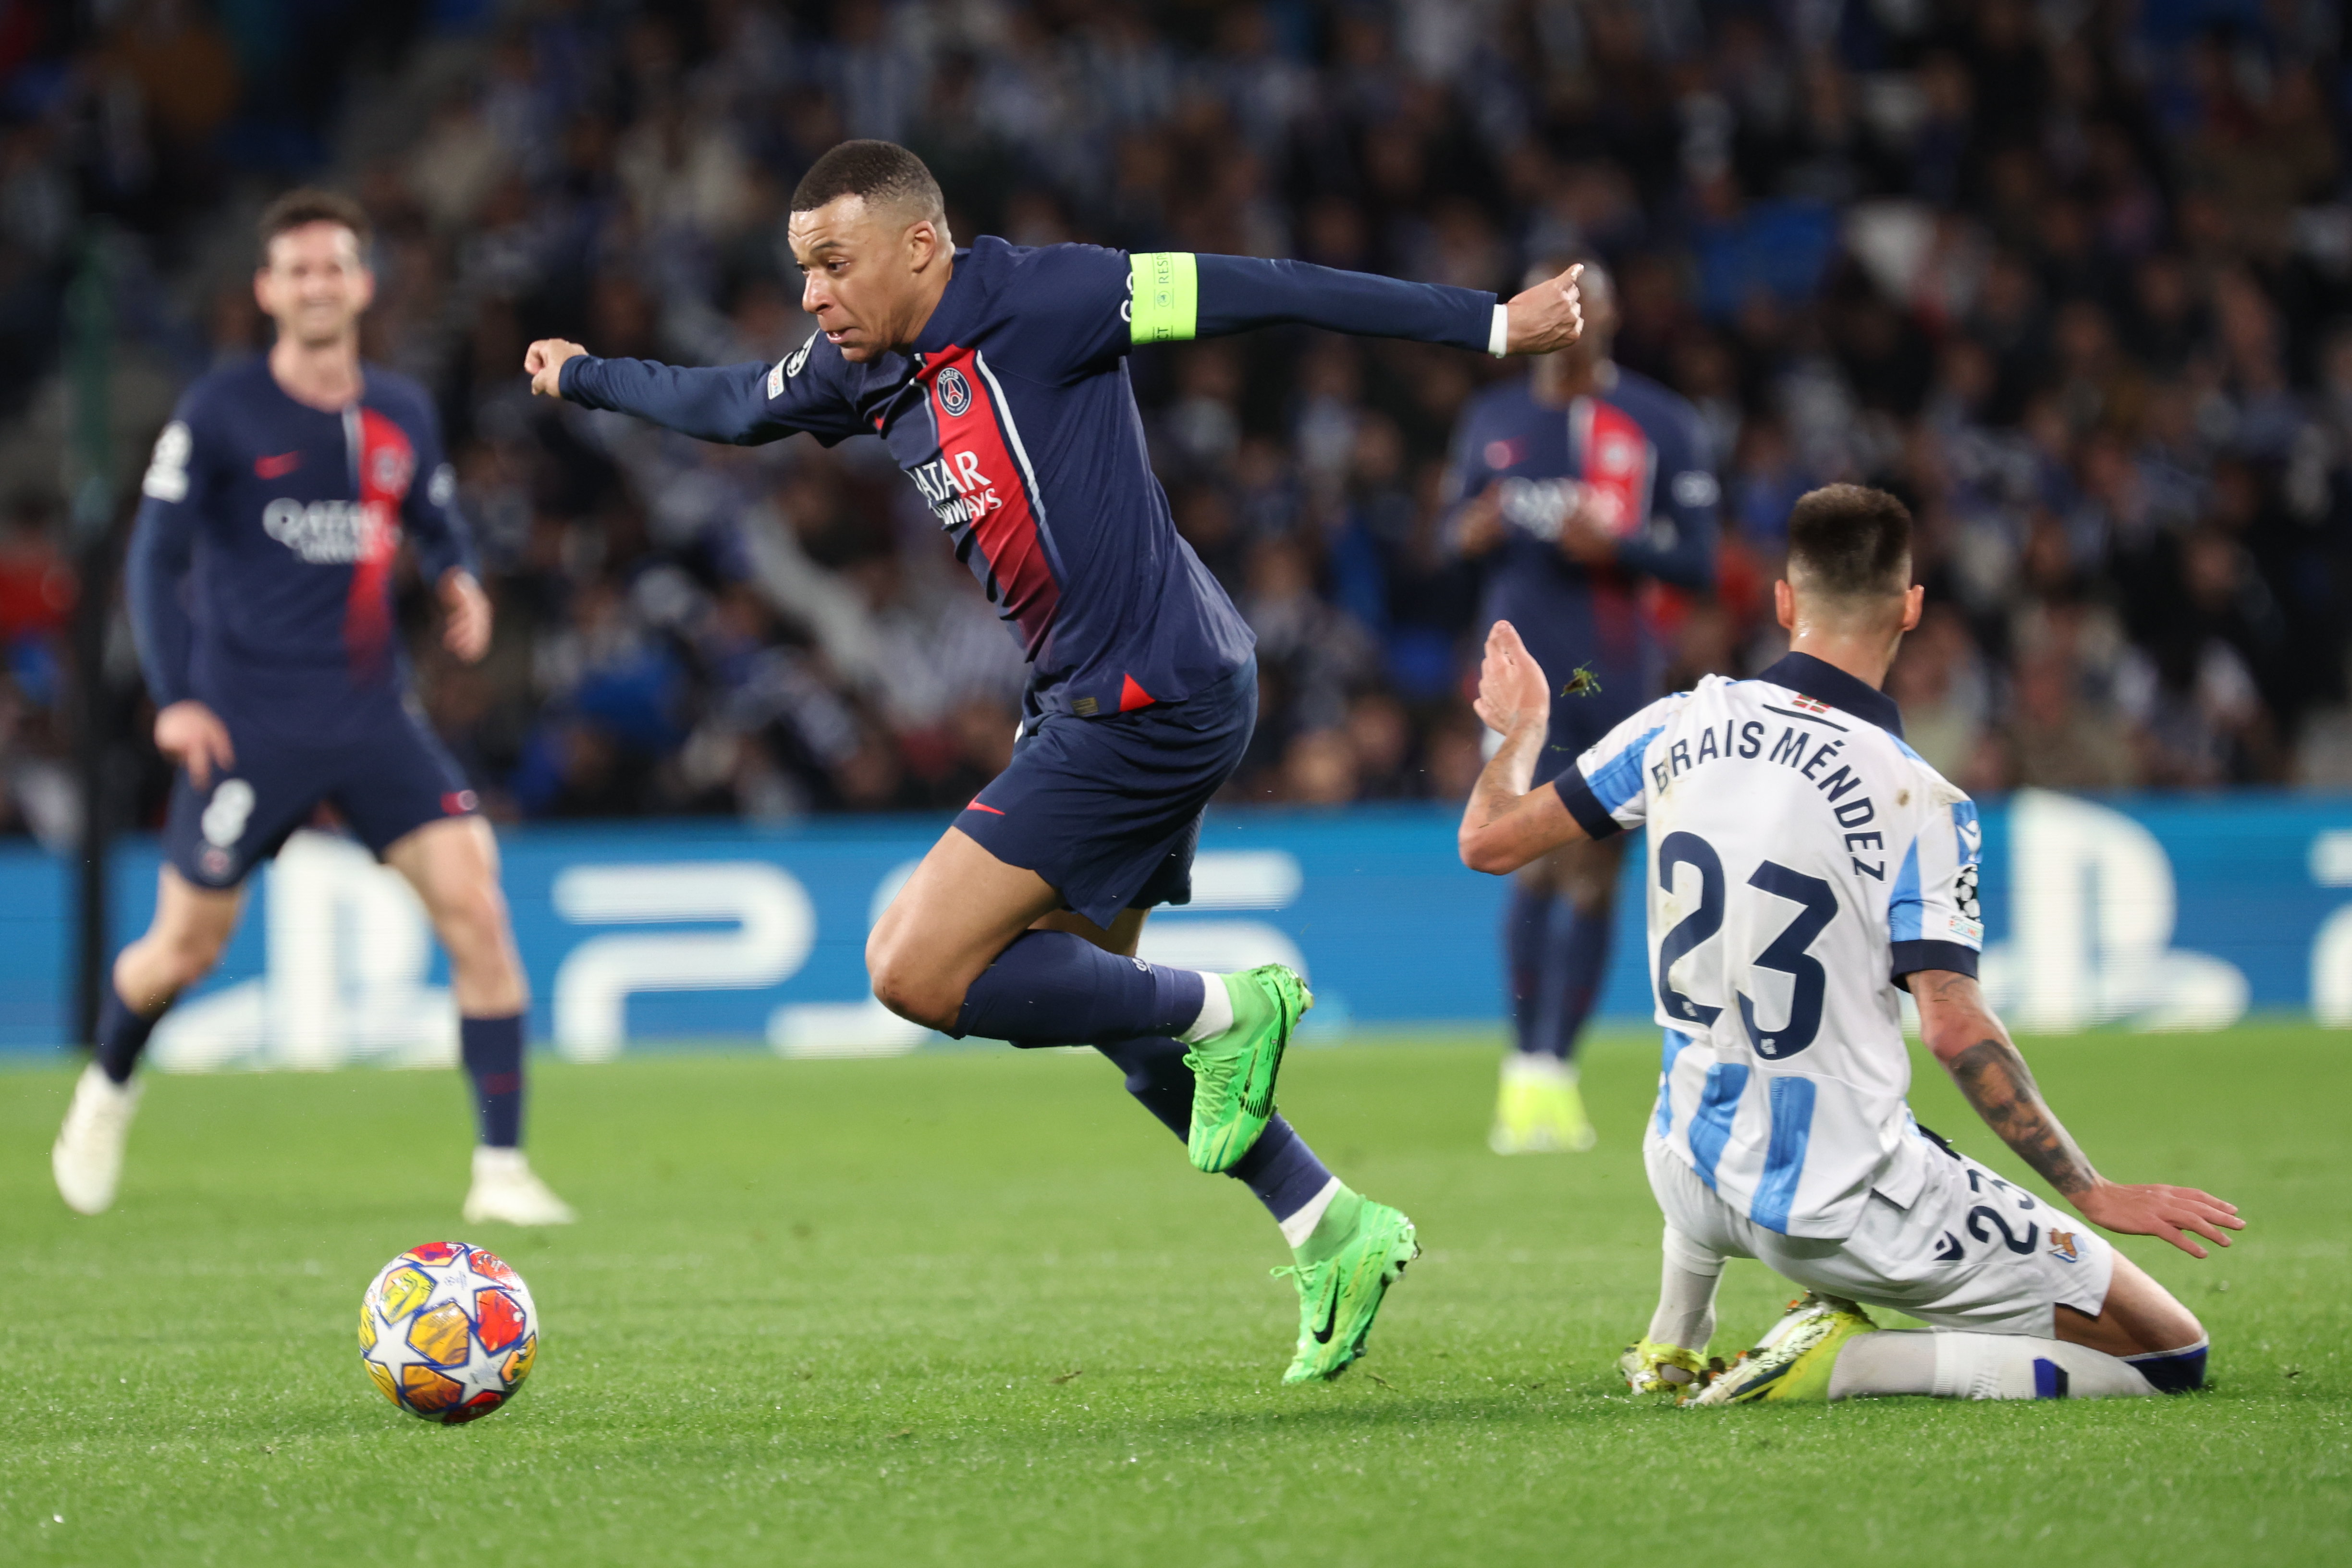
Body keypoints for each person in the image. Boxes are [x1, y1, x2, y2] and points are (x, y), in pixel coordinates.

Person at [522, 139, 1588, 1381]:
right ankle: (1329, 1223)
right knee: (1094, 1006)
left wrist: (1492, 327)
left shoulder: (1054, 298)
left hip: (1147, 695)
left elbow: (1269, 284)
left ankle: (1233, 1005)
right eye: (803, 270)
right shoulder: (857, 369)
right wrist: (587, 376)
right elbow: (730, 404)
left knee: (916, 968)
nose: (813, 294)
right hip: (1125, 692)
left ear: (922, 244)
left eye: (832, 264)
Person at [1456, 484, 2239, 1403]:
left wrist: (1525, 731)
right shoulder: (1920, 799)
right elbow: (1954, 1030)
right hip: (1839, 1206)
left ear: (1784, 602)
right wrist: (2092, 1189)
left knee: (1728, 1072)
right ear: (1910, 608)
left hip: (1685, 1167)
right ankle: (1855, 1362)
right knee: (2169, 1356)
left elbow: (1489, 841)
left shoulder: (1678, 722)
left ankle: (1674, 1339)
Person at [51, 190, 573, 1228]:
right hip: (249, 722)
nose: (317, 283)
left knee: (477, 905)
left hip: (377, 717)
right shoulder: (220, 412)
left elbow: (435, 518)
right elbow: (154, 559)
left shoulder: (401, 410)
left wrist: (461, 580)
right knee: (181, 954)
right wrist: (177, 701)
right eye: (298, 269)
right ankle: (108, 1089)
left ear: (364, 284)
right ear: (266, 291)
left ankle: (502, 1170)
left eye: (335, 266)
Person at [1443, 259, 1716, 1156]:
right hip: (1526, 677)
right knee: (1530, 861)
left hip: (1612, 676)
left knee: (1596, 871)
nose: (1573, 317)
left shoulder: (1662, 421)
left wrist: (1623, 543)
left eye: (1585, 301)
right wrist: (1469, 534)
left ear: (1609, 314)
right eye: (1557, 302)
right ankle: (1527, 1072)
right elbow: (1449, 536)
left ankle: (1555, 1068)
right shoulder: (1492, 421)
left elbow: (1703, 558)